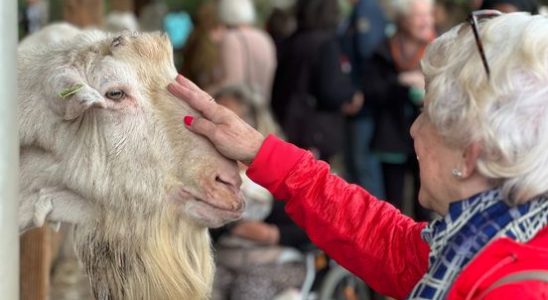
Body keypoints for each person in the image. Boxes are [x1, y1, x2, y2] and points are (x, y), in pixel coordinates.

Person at [169, 11, 548, 299]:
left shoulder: (514, 286)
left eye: (426, 115)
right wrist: (259, 150)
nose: (414, 130)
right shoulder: (482, 237)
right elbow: (388, 242)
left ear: (470, 155)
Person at [209, 85, 310, 300]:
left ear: (251, 125)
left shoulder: (282, 170)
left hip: (280, 260)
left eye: (225, 118)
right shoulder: (211, 171)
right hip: (228, 258)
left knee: (248, 289)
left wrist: (273, 234)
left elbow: (312, 228)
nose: (216, 126)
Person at [362, 0, 435, 219]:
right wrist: (401, 82)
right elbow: (372, 91)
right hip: (392, 137)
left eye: (429, 15)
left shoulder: (439, 49)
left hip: (428, 139)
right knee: (393, 205)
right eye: (419, 16)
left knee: (427, 203)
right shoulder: (383, 50)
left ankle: (425, 250)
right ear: (403, 20)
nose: (426, 21)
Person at [271, 0, 364, 162]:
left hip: (289, 123)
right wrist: (352, 94)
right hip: (315, 130)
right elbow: (330, 91)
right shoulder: (326, 44)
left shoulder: (293, 40)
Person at [338, 0, 388, 198]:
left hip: (363, 104)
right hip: (356, 101)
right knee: (355, 167)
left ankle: (375, 227)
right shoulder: (357, 10)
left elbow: (369, 54)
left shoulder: (367, 8)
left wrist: (358, 91)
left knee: (364, 168)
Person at [213, 0, 277, 105]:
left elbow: (232, 82)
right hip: (262, 107)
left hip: (241, 109)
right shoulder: (265, 37)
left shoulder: (232, 38)